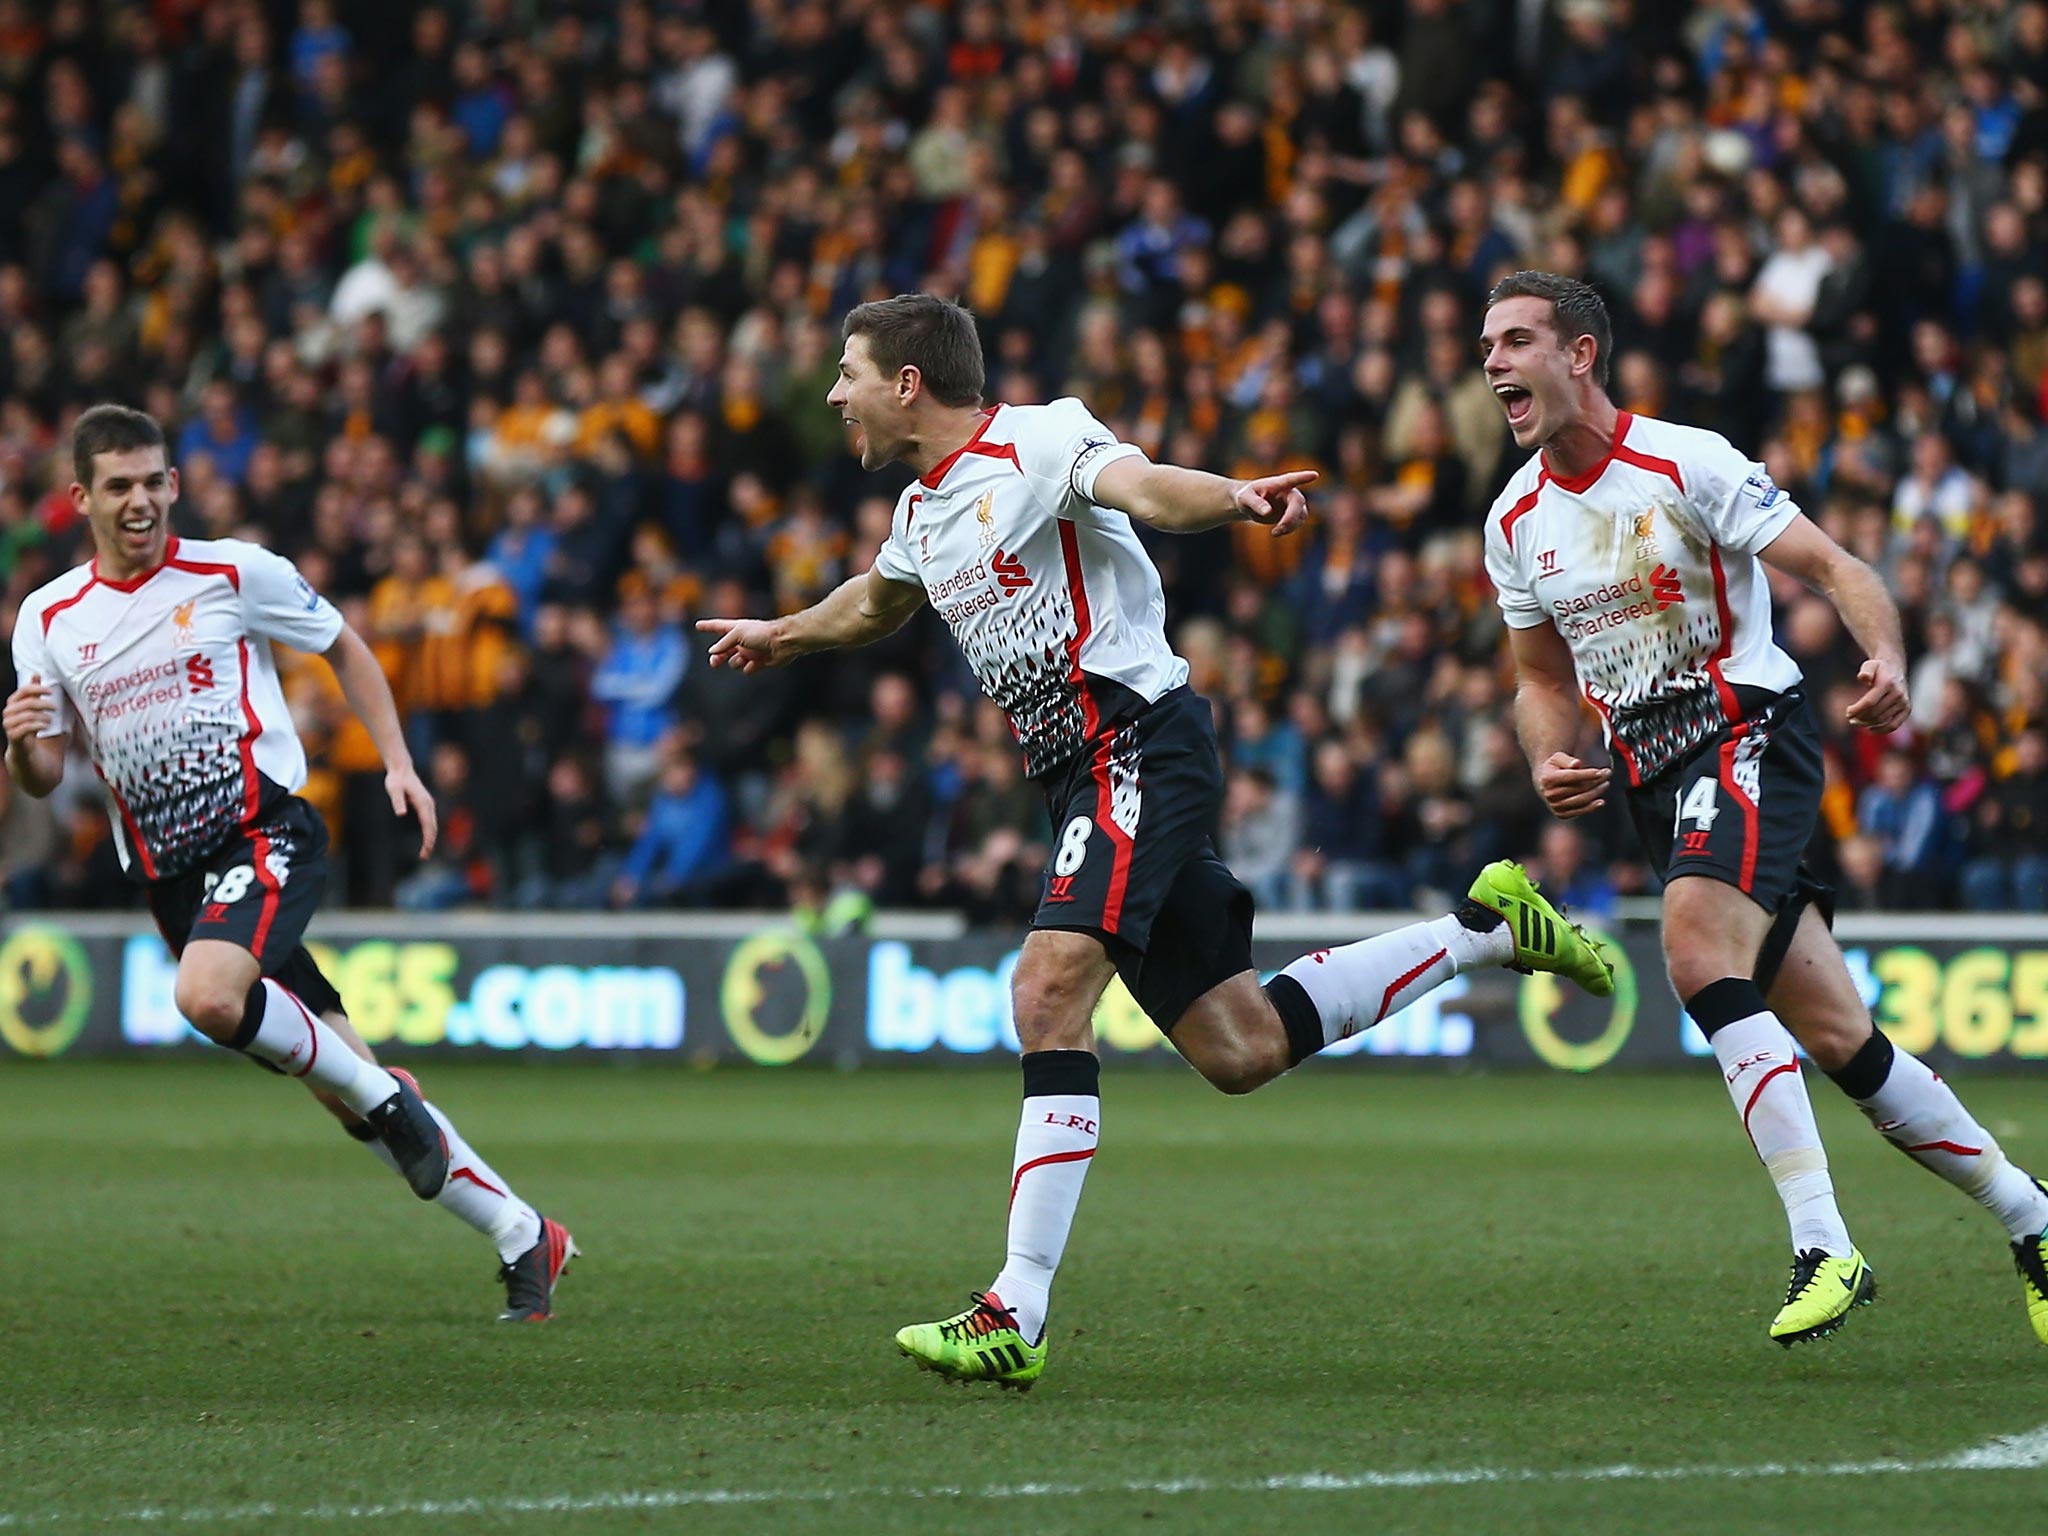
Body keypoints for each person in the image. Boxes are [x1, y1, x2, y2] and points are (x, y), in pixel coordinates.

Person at [699, 294, 1614, 1389]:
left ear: (907, 383)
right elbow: (875, 605)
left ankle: (1014, 1308)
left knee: (1045, 992)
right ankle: (1481, 928)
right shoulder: (922, 512)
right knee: (1240, 1048)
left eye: (849, 372)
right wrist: (783, 632)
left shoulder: (1032, 440)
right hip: (1077, 781)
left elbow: (1137, 484)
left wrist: (1233, 498)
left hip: (1137, 749)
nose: (835, 393)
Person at [1479, 271, 2048, 1347]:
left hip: (1746, 740)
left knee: (1696, 954)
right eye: (1486, 344)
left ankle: (1822, 1241)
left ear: (1578, 355)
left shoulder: (1686, 462)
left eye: (1514, 341)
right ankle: (2034, 1220)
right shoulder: (1511, 520)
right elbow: (1537, 679)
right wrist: (1545, 752)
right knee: (1843, 1041)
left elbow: (1835, 567)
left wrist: (1883, 654)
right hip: (1654, 784)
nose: (1492, 362)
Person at [3, 405, 576, 1323]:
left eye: (154, 480)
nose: (141, 500)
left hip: (263, 836)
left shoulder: (234, 571)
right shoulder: (49, 617)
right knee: (354, 1090)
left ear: (175, 484)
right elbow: (43, 774)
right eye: (119, 486)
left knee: (209, 999)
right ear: (81, 498)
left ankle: (390, 1105)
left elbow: (345, 644)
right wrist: (21, 747)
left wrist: (397, 761)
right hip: (174, 883)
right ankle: (523, 1235)